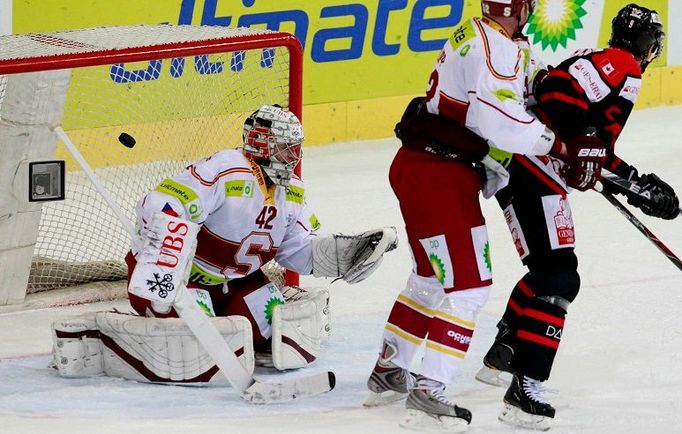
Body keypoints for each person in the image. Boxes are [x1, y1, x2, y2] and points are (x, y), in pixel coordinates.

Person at [363, 0, 605, 431]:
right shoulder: (493, 46)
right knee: (469, 287)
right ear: (523, 7)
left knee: (429, 277)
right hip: (441, 175)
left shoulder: (482, 35)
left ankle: (390, 368)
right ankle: (428, 390)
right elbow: (501, 122)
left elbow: (526, 83)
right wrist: (560, 146)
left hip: (419, 167)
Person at [52, 105, 398, 383]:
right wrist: (170, 250)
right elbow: (158, 203)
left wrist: (342, 255)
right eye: (285, 147)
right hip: (178, 280)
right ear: (262, 144)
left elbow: (298, 251)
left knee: (282, 338)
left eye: (296, 148)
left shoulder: (293, 191)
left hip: (237, 282)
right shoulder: (227, 169)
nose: (293, 156)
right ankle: (105, 335)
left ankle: (210, 320)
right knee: (196, 352)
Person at [475, 3, 678, 430]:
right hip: (534, 165)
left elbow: (590, 143)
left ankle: (503, 356)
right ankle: (524, 391)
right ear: (646, 44)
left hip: (528, 165)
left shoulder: (606, 61)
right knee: (559, 278)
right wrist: (587, 142)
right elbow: (558, 91)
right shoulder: (621, 63)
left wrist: (637, 184)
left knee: (546, 270)